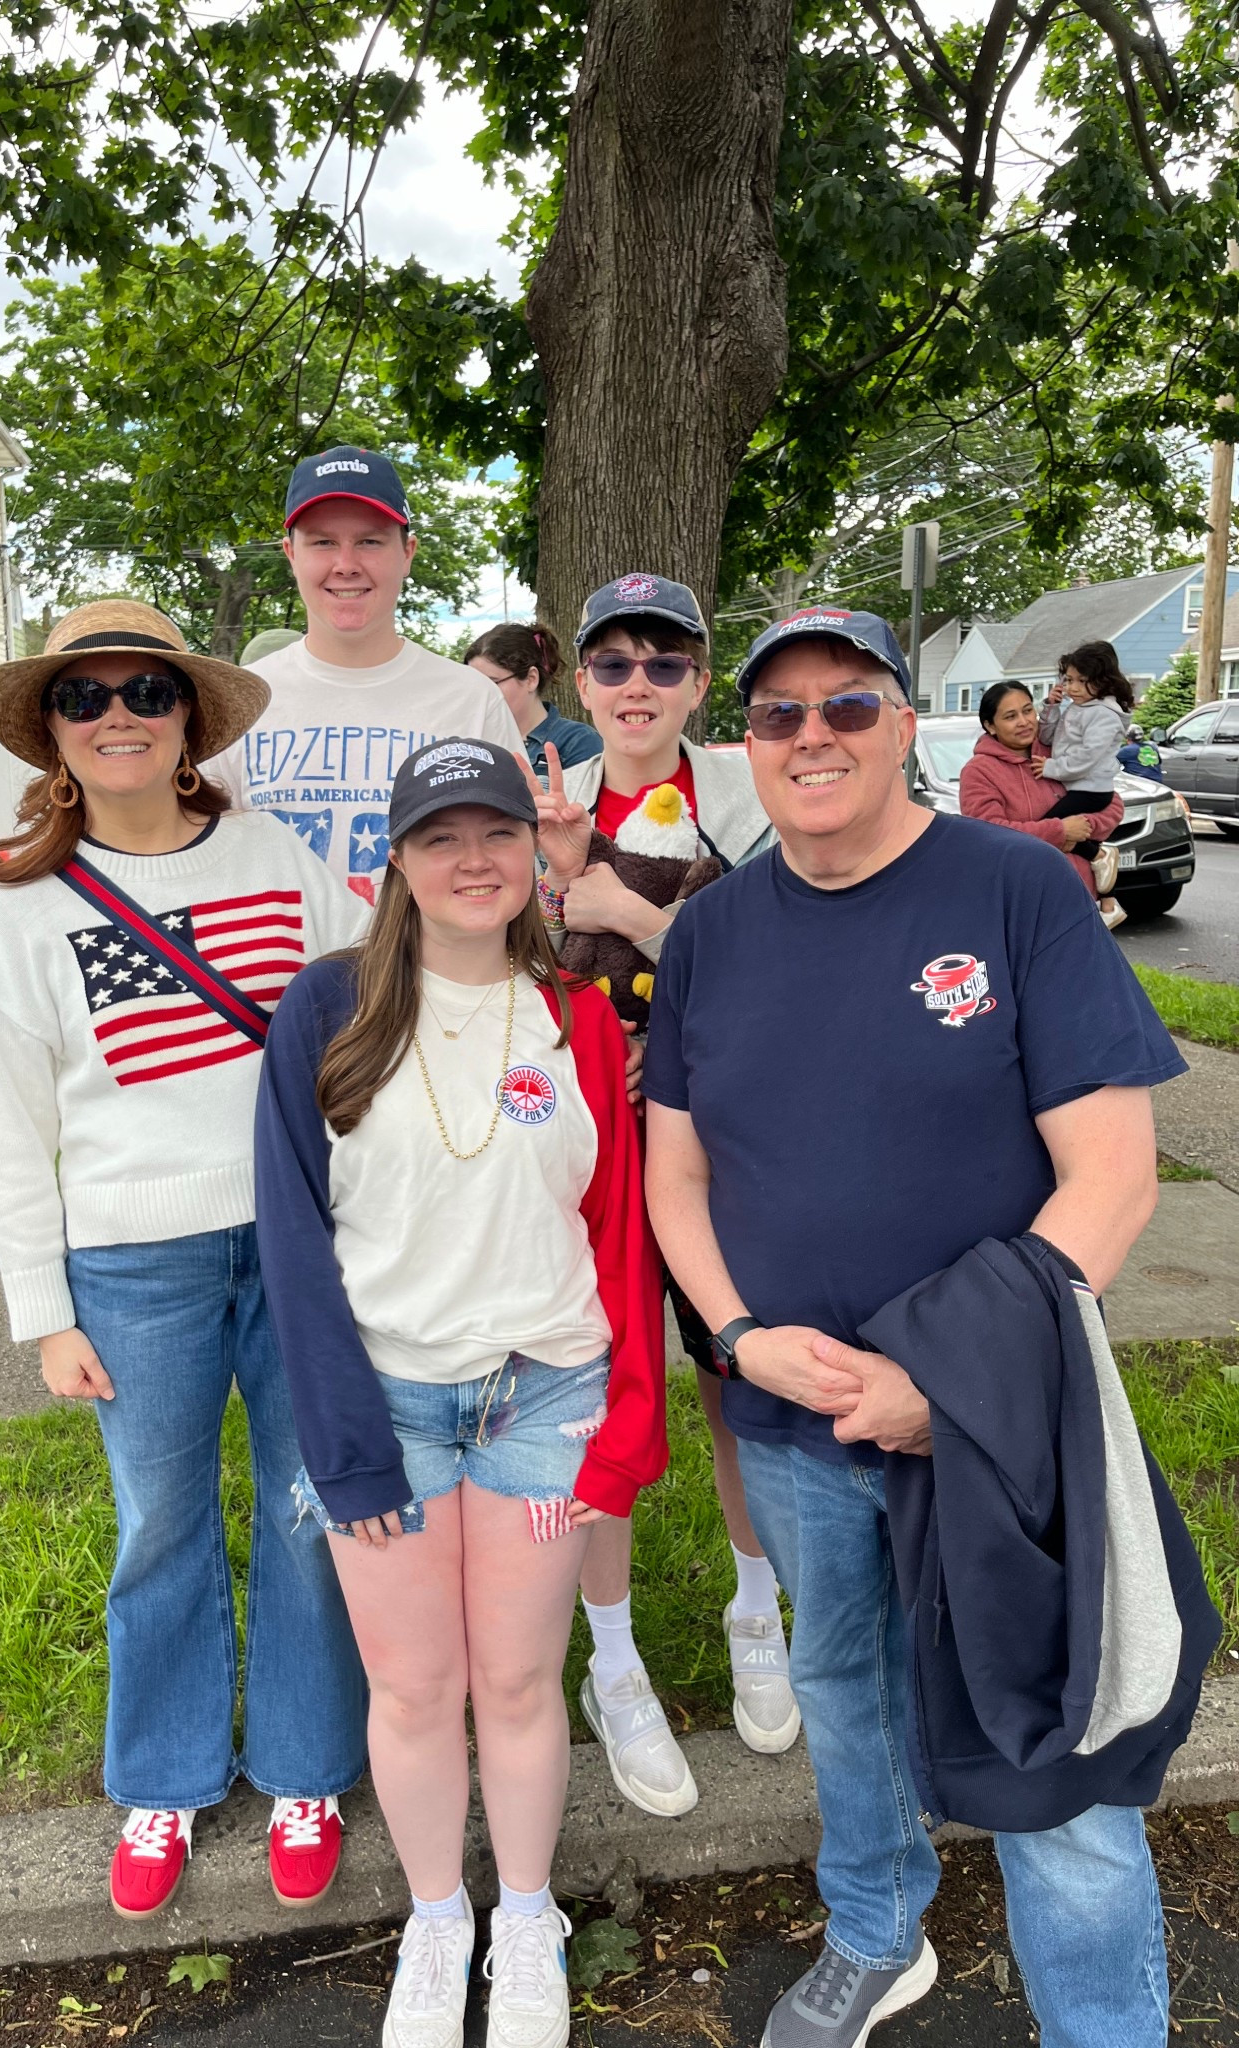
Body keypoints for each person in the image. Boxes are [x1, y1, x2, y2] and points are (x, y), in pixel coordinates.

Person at [645, 603, 1193, 2048]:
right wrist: (741, 1336)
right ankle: (880, 1934)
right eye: (779, 715)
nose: (812, 736)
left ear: (905, 725)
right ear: (742, 745)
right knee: (842, 1689)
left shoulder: (1014, 892)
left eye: (848, 707)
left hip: (996, 1426)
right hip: (792, 1419)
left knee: (1048, 1748)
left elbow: (1113, 1181)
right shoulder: (708, 932)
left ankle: (1102, 2029)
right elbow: (676, 1175)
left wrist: (942, 1382)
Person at [0, 600, 369, 1924]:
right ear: (54, 736)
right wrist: (43, 1314)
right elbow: (5, 1127)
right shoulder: (19, 906)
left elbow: (366, 1002)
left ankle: (308, 1768)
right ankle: (165, 1778)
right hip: (131, 1272)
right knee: (163, 1527)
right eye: (85, 699)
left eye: (146, 690)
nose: (118, 713)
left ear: (191, 719)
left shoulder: (270, 854)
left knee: (311, 1512)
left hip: (296, 1245)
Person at [255, 737, 666, 2048]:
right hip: (387, 1407)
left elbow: (621, 1239)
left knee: (520, 1682)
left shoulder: (585, 1021)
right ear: (397, 861)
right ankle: (440, 1919)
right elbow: (290, 1247)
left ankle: (530, 1916)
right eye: (442, 836)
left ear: (529, 852)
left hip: (546, 1403)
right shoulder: (324, 1014)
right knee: (419, 1689)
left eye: (498, 832)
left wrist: (622, 1432)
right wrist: (346, 1447)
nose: (475, 857)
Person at [530, 573, 796, 1810]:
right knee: (596, 1386)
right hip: (584, 1149)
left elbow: (797, 966)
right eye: (614, 664)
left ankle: (759, 1605)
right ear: (580, 681)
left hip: (728, 1140)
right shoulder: (541, 802)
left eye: (666, 664)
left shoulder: (759, 791)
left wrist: (631, 911)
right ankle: (615, 1658)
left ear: (700, 680)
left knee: (733, 1373)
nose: (639, 687)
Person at [209, 446, 523, 904]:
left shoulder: (470, 699)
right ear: (290, 554)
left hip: (427, 970)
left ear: (407, 552)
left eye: (370, 541)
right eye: (323, 542)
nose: (346, 563)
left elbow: (509, 857)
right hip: (279, 974)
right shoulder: (239, 701)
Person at [958, 681, 1124, 899]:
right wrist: (1059, 831)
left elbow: (1111, 803)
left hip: (1080, 892)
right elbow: (990, 836)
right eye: (1010, 717)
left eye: (1028, 711)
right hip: (1024, 895)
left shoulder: (1057, 752)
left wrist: (1082, 828)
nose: (1024, 722)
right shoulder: (979, 772)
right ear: (990, 726)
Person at [1035, 641, 1136, 928]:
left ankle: (1099, 854)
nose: (1073, 687)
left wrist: (1052, 768)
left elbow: (1088, 756)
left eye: (1082, 680)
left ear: (1103, 681)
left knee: (1047, 830)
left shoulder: (1103, 715)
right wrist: (1052, 707)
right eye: (1068, 679)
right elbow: (1047, 738)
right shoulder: (1077, 708)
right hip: (1080, 786)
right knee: (1056, 834)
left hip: (1092, 789)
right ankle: (1108, 900)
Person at [465, 619, 603, 776]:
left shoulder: (577, 742)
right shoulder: (471, 741)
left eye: (492, 684)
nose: (481, 694)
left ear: (531, 679)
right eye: (474, 686)